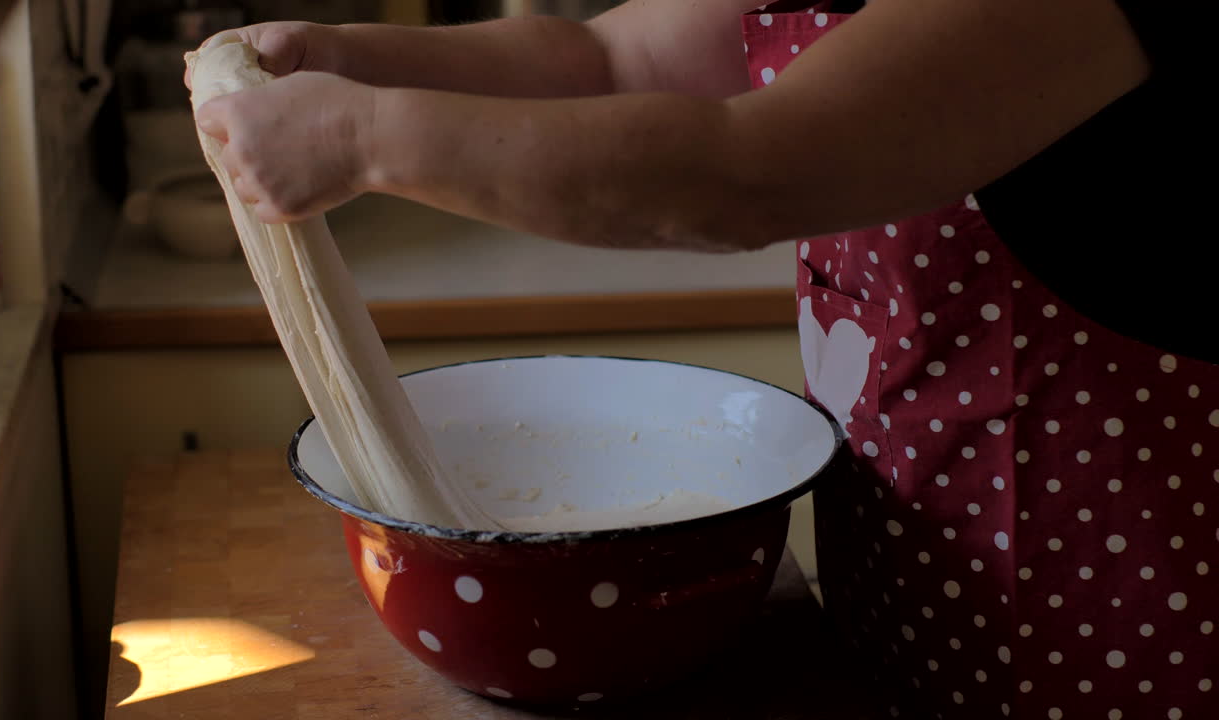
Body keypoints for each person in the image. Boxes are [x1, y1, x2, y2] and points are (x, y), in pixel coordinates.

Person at [191, 1, 1216, 717]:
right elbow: (606, 63)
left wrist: (365, 139)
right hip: (907, 626)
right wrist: (342, 62)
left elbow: (748, 172)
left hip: (1131, 657)